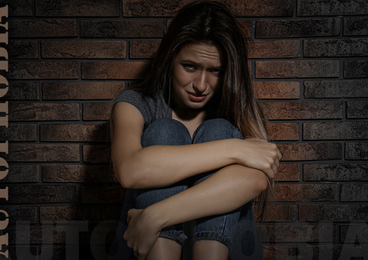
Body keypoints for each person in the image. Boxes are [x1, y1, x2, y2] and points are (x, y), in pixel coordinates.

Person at [108, 1, 281, 259]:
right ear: (169, 59)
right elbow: (130, 170)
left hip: (221, 251)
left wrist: (155, 217)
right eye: (189, 66)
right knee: (165, 131)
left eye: (215, 71)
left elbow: (255, 180)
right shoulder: (135, 104)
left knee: (219, 128)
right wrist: (236, 150)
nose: (201, 85)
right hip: (146, 249)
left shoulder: (235, 111)